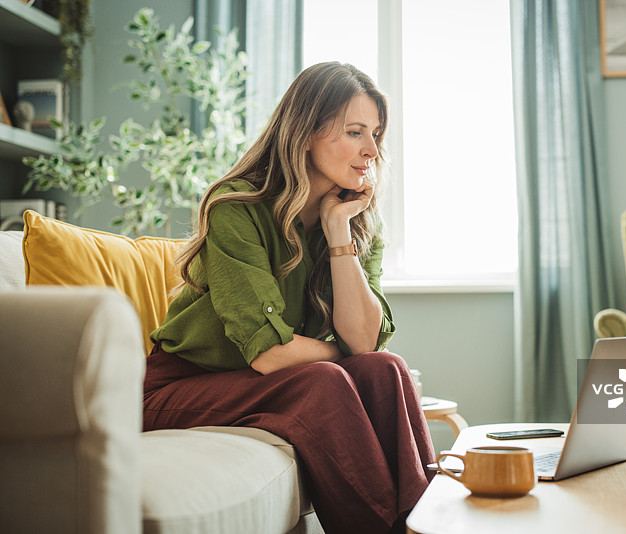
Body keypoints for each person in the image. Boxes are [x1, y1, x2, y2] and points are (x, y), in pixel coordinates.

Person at [143, 62, 435, 533]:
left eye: (376, 134)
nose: (371, 150)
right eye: (355, 132)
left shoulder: (357, 222)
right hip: (175, 390)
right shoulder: (236, 210)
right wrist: (341, 354)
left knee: (387, 370)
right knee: (323, 381)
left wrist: (339, 233)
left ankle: (430, 523)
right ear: (305, 133)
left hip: (260, 383)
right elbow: (271, 355)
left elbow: (368, 344)